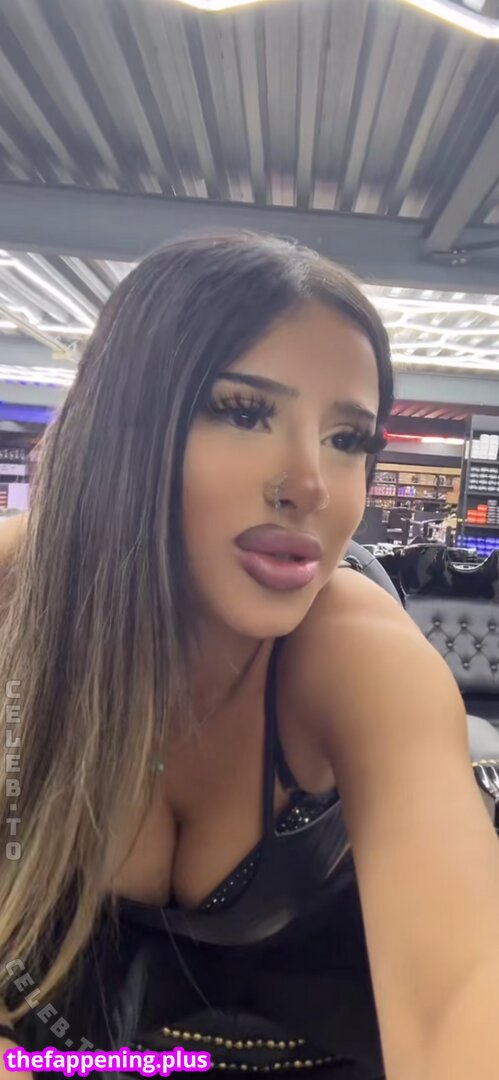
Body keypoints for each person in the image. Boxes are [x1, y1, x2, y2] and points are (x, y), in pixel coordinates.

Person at [1, 231, 499, 1080]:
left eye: (348, 438)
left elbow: (457, 994)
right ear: (125, 425)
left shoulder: (358, 653)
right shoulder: (18, 597)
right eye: (243, 411)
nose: (308, 483)